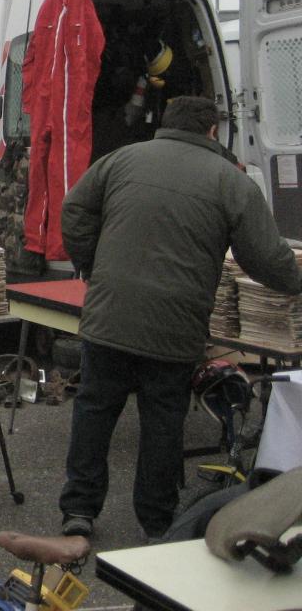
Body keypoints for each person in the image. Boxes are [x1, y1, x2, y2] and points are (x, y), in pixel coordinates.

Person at [59, 95, 302, 543]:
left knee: (94, 411)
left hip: (109, 317)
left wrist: (92, 264)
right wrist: (295, 281)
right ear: (211, 131)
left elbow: (74, 210)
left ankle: (78, 510)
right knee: (163, 422)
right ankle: (156, 522)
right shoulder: (230, 181)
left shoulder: (120, 160)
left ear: (167, 123)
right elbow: (267, 258)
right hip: (174, 327)